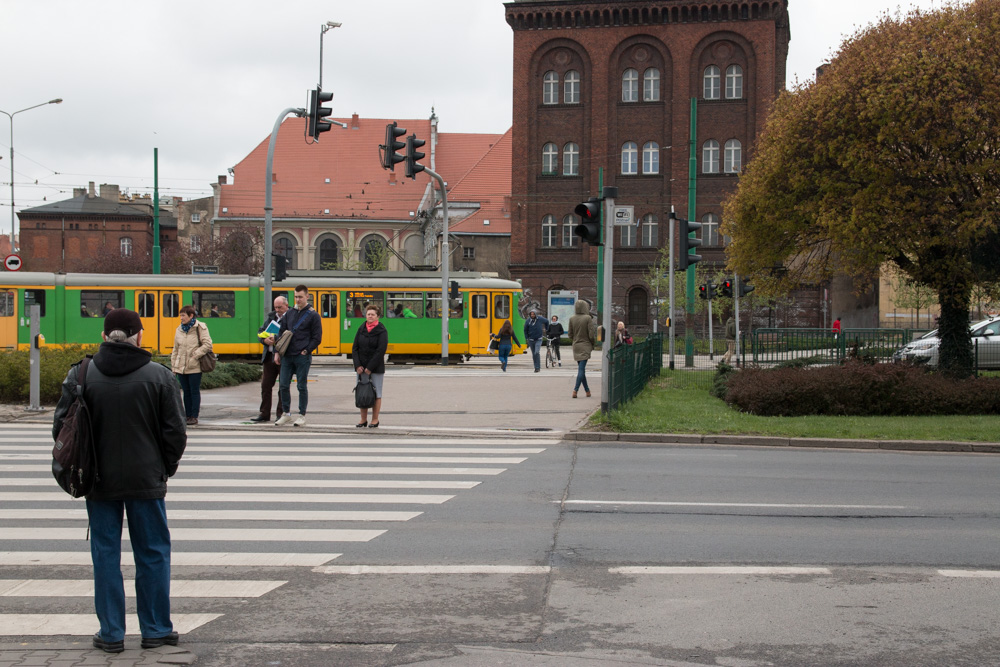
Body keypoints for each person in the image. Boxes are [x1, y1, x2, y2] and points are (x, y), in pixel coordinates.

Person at [52, 308, 186, 654]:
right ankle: (156, 629)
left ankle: (111, 633)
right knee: (153, 552)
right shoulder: (160, 376)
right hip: (146, 479)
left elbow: (61, 429)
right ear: (139, 336)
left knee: (106, 554)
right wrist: (164, 467)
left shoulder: (80, 374)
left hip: (98, 480)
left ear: (104, 337)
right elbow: (176, 432)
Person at [274, 284, 323, 427]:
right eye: (295, 296)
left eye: (300, 297)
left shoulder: (313, 315)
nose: (298, 299)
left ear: (307, 296)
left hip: (302, 356)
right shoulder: (289, 313)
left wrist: (307, 350)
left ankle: (302, 415)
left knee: (301, 386)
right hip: (287, 355)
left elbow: (317, 337)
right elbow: (281, 333)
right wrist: (277, 352)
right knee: (283, 385)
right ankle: (286, 413)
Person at [170, 305, 212, 426]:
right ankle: (186, 415)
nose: (181, 318)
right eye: (180, 315)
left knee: (194, 391)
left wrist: (195, 355)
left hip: (195, 366)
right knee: (185, 392)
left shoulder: (200, 327)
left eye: (183, 315)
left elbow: (208, 344)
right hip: (181, 367)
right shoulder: (179, 329)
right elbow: (175, 349)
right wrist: (174, 366)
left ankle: (194, 416)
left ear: (191, 316)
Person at [250, 295, 289, 423]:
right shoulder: (271, 317)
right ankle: (264, 413)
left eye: (280, 307)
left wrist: (276, 339)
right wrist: (264, 340)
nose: (277, 310)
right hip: (269, 357)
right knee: (265, 386)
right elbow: (261, 331)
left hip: (284, 357)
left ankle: (280, 413)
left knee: (283, 387)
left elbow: (291, 335)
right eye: (275, 307)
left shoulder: (290, 317)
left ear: (286, 306)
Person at [352, 303, 388, 427]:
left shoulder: (381, 331)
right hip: (361, 368)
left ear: (377, 316)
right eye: (368, 314)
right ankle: (363, 419)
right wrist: (358, 365)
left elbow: (381, 350)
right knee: (362, 392)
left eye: (373, 314)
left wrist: (369, 367)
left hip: (376, 368)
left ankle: (375, 419)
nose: (370, 316)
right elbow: (355, 348)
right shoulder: (361, 329)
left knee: (376, 393)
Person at [568, 300, 596, 398]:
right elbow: (591, 334)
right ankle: (575, 390)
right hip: (585, 345)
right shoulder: (588, 318)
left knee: (581, 369)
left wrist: (575, 339)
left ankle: (587, 390)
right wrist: (592, 343)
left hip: (576, 345)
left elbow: (570, 334)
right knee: (581, 369)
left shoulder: (572, 318)